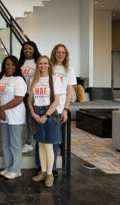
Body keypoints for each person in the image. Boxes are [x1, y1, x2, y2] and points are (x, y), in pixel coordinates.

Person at [28, 56, 63, 188]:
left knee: (48, 145)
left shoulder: (54, 79)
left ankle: (50, 174)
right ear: (37, 65)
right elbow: (29, 99)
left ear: (49, 65)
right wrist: (33, 113)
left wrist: (46, 116)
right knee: (41, 144)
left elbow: (57, 100)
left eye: (45, 63)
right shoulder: (33, 80)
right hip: (37, 112)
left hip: (50, 113)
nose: (42, 65)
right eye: (40, 63)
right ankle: (42, 172)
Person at [0, 55, 27, 180]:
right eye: (7, 64)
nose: (10, 67)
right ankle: (8, 167)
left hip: (15, 116)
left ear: (16, 66)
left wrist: (1, 109)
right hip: (3, 115)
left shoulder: (18, 80)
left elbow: (19, 99)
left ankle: (16, 169)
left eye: (13, 64)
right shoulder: (1, 78)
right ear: (4, 65)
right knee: (5, 143)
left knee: (15, 143)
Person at [49, 43, 76, 176]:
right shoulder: (49, 67)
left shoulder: (69, 70)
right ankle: (44, 167)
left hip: (59, 109)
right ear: (54, 53)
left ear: (66, 55)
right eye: (58, 52)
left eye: (63, 53)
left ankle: (52, 169)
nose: (60, 54)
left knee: (55, 140)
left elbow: (69, 90)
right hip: (46, 108)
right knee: (44, 140)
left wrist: (66, 108)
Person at [19, 41, 41, 154]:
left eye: (30, 49)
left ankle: (30, 143)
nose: (27, 51)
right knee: (25, 119)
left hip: (33, 95)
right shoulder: (20, 62)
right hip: (21, 94)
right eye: (25, 49)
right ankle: (27, 141)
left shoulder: (38, 62)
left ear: (34, 49)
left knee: (31, 119)